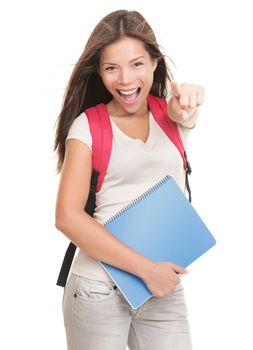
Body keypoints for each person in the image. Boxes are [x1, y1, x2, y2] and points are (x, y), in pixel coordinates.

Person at [54, 9, 204, 350]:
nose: (124, 79)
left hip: (161, 286)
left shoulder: (171, 113)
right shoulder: (87, 128)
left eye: (137, 64)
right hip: (98, 289)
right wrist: (146, 269)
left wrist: (194, 97)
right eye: (111, 68)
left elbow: (188, 110)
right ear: (100, 71)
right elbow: (67, 217)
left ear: (154, 62)